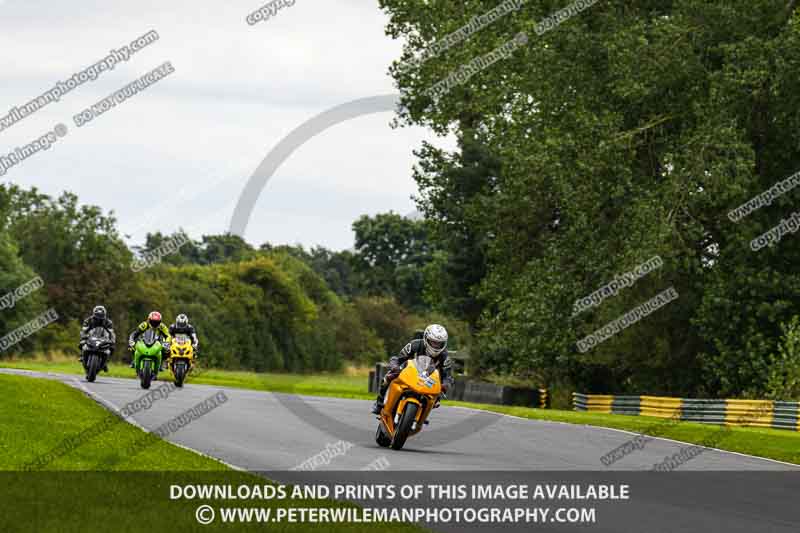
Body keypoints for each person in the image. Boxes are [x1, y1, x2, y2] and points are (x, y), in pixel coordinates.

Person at [372, 324, 454, 415]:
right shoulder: (415, 344)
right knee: (389, 376)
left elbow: (448, 375)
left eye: (439, 343)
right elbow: (399, 358)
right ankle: (379, 403)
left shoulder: (445, 357)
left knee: (436, 399)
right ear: (426, 338)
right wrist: (395, 366)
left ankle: (421, 415)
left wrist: (445, 385)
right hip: (409, 372)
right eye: (433, 342)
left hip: (429, 380)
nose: (436, 346)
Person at [128, 311, 172, 375]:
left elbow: (168, 335)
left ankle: (161, 364)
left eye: (157, 322)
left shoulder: (162, 326)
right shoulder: (144, 325)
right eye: (153, 322)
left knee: (167, 351)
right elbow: (135, 333)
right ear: (149, 320)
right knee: (131, 348)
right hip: (144, 340)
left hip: (158, 342)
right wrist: (132, 340)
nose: (155, 324)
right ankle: (134, 361)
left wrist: (167, 343)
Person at [79, 305, 116, 373]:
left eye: (101, 316)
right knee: (81, 343)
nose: (99, 318)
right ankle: (82, 356)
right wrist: (83, 336)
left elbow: (111, 332)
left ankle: (105, 363)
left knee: (112, 348)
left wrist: (112, 340)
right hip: (90, 337)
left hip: (103, 338)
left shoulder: (108, 322)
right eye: (97, 316)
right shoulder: (88, 320)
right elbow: (83, 330)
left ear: (104, 315)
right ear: (94, 314)